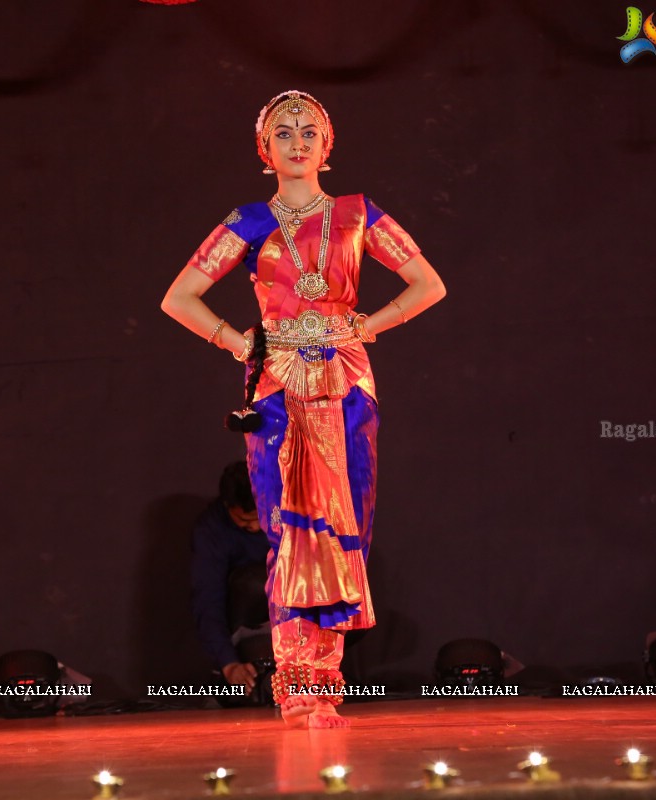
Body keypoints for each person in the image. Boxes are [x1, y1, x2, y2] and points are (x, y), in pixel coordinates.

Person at [162, 90, 445, 728]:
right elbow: (180, 298)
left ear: (328, 144)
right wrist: (243, 346)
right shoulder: (246, 221)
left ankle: (327, 679)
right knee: (288, 529)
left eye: (309, 131)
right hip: (276, 389)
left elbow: (429, 284)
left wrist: (367, 325)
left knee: (347, 528)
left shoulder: (358, 214)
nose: (297, 142)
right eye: (283, 133)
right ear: (265, 151)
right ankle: (296, 687)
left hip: (346, 382)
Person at [190, 461, 272, 699]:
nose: (256, 527)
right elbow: (207, 600)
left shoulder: (288, 512)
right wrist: (228, 662)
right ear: (227, 506)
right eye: (245, 522)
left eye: (260, 517)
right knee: (255, 582)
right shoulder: (211, 530)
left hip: (296, 618)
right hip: (247, 625)